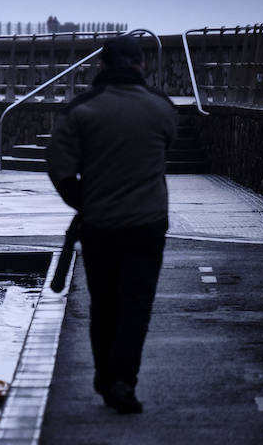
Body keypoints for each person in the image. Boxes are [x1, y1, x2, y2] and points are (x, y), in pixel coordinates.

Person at [47, 35, 177, 414]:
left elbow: (59, 164)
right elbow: (166, 147)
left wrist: (82, 201)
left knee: (104, 303)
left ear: (102, 66)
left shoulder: (81, 111)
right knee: (136, 304)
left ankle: (106, 377)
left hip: (100, 224)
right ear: (140, 65)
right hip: (148, 224)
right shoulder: (161, 108)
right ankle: (122, 380)